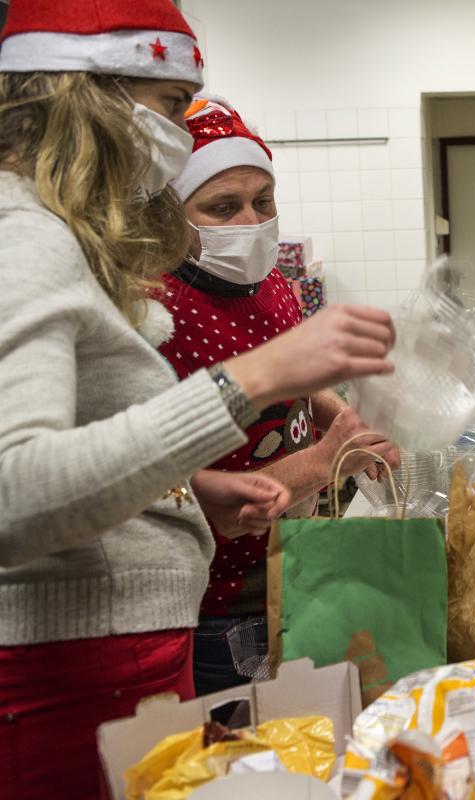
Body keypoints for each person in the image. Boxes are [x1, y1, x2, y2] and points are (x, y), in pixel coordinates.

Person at [0, 1, 395, 795]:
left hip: (122, 645)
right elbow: (16, 494)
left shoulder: (59, 237)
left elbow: (99, 442)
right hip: (72, 662)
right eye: (172, 104)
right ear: (91, 93)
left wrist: (183, 491)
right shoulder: (26, 237)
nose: (180, 132)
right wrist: (254, 378)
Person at [160, 96, 401, 695]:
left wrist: (343, 417)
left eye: (262, 202)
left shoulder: (269, 283)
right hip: (220, 603)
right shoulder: (156, 316)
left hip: (296, 558)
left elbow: (299, 380)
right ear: (170, 216)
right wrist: (325, 459)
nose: (250, 222)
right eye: (223, 207)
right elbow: (189, 493)